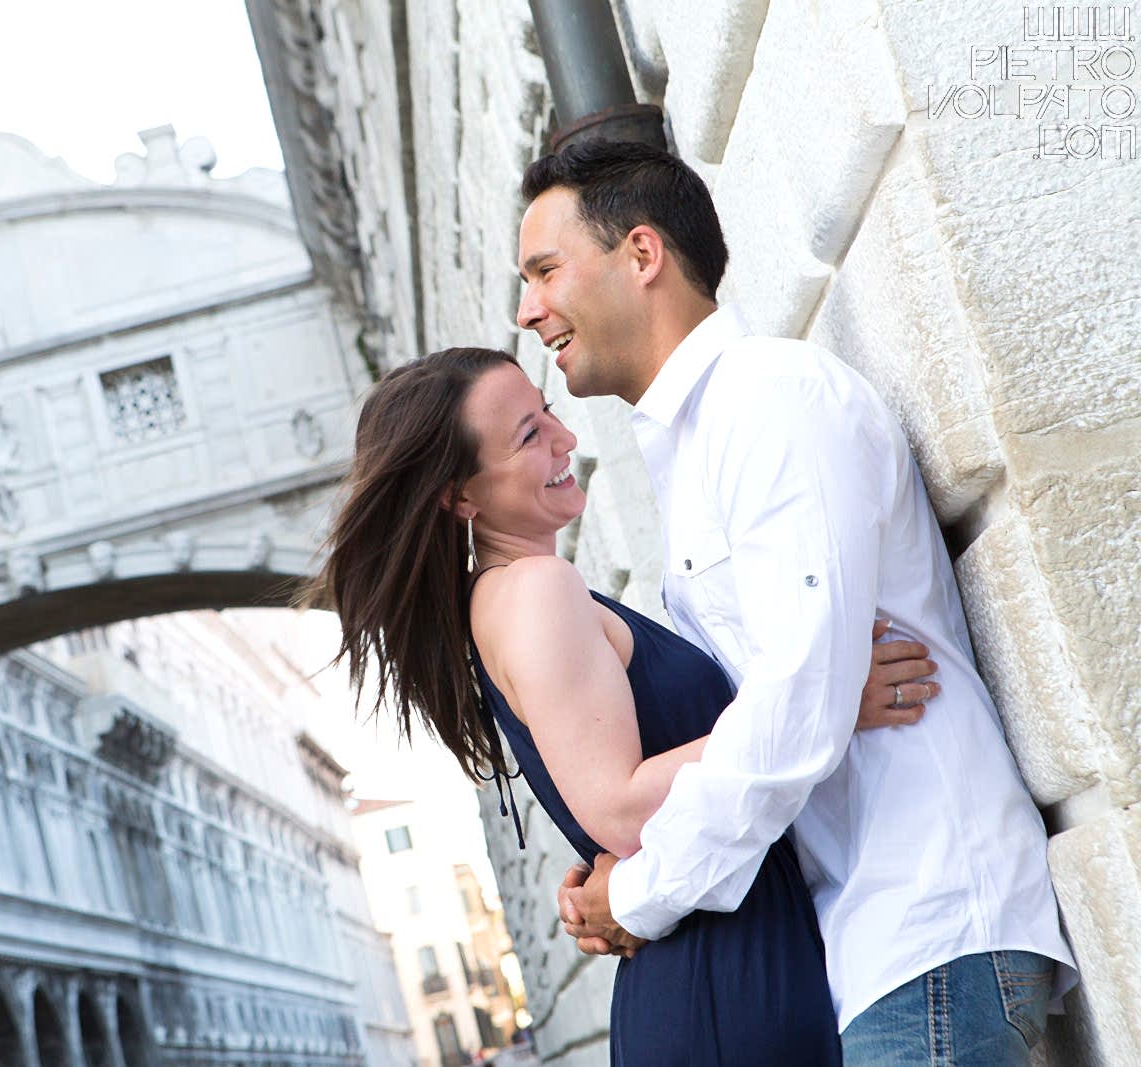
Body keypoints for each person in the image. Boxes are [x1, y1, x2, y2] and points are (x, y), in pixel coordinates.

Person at [515, 139, 1076, 1063]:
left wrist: (646, 892)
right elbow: (793, 700)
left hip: (927, 927)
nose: (528, 308)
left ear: (643, 255)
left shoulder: (768, 401)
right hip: (866, 948)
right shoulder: (696, 449)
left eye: (545, 269)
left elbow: (797, 703)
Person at [310, 345, 942, 1064]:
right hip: (721, 988)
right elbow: (621, 808)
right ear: (460, 496)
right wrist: (821, 699)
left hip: (723, 963)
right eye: (528, 435)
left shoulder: (509, 596)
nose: (565, 439)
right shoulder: (535, 590)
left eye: (547, 413)